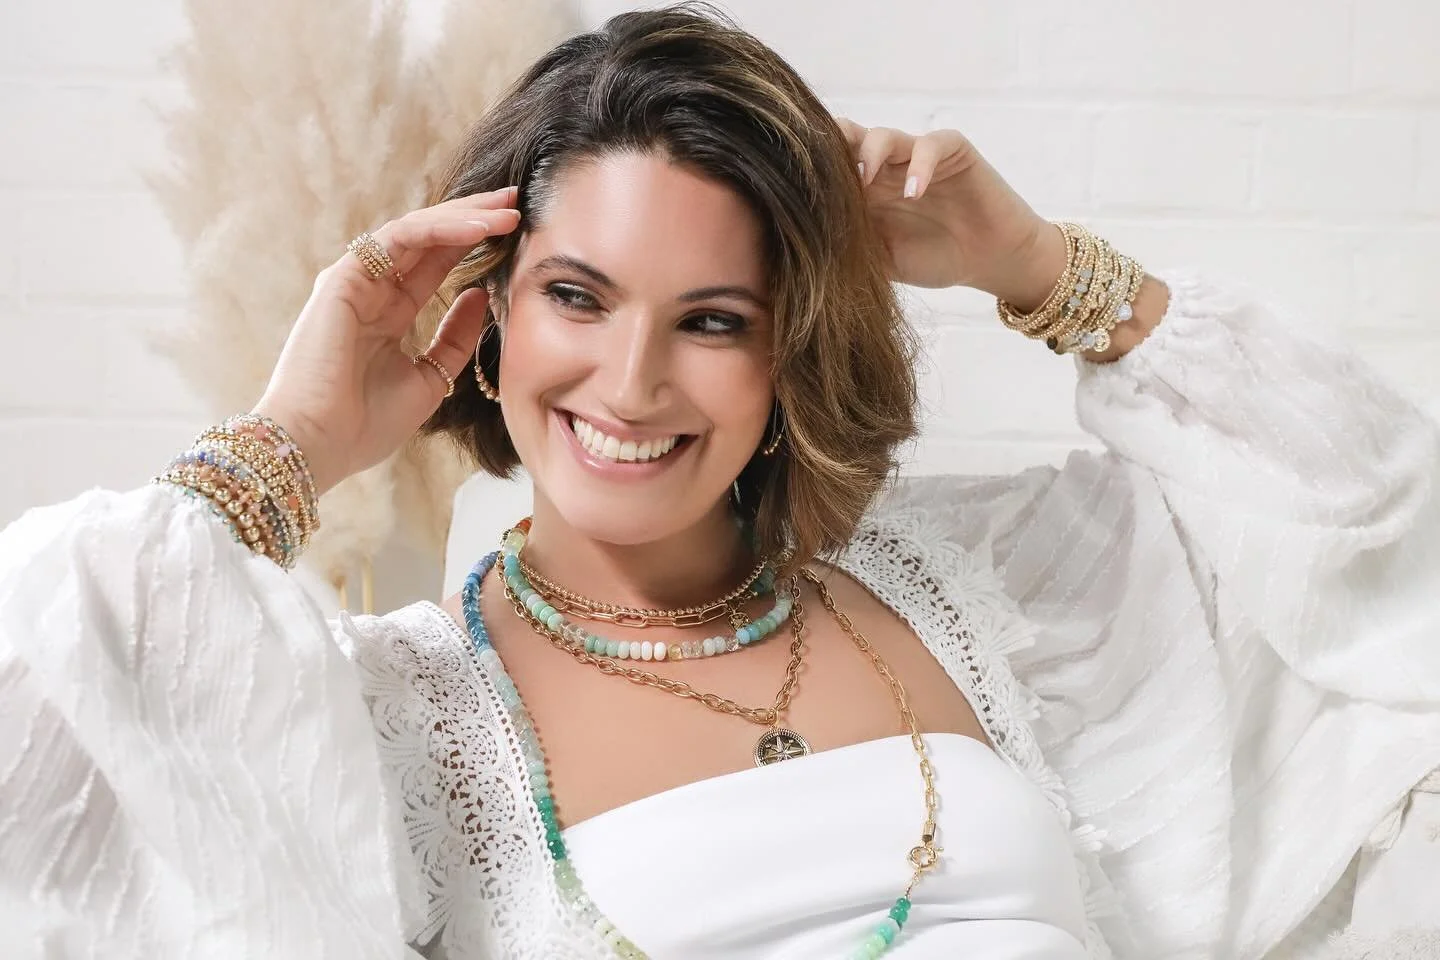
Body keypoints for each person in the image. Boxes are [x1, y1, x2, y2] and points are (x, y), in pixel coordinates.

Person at [2, 5, 1438, 959]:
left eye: (712, 319)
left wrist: (1038, 265)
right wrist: (293, 438)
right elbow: (39, 794)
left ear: (786, 355)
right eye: (578, 297)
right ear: (485, 319)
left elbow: (1368, 523)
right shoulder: (385, 724)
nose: (631, 385)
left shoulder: (987, 594)